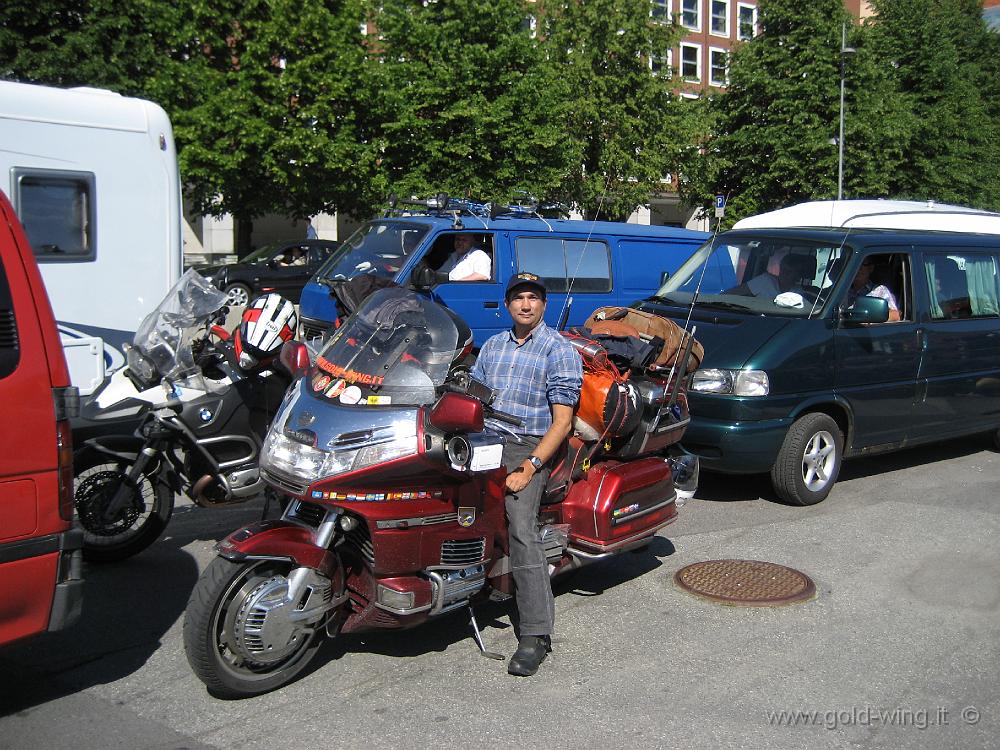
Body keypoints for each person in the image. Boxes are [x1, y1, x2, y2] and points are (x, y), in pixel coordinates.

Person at [471, 272, 582, 677]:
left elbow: (563, 423)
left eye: (533, 298)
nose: (525, 304)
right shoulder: (494, 347)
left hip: (528, 445)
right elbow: (475, 400)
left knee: (521, 527)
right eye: (518, 297)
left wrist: (530, 465)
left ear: (543, 305)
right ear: (507, 304)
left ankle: (536, 633)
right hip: (486, 440)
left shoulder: (559, 350)